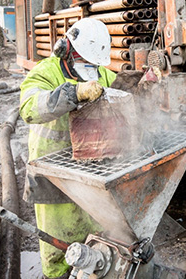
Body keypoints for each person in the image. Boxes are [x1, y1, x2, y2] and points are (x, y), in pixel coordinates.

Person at [19, 18, 117, 279]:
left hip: (91, 170)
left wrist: (143, 84)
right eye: (84, 60)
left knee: (95, 234)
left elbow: (121, 92)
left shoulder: (101, 72)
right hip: (53, 172)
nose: (90, 68)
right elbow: (29, 107)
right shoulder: (45, 71)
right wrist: (73, 94)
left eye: (93, 64)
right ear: (67, 50)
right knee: (58, 244)